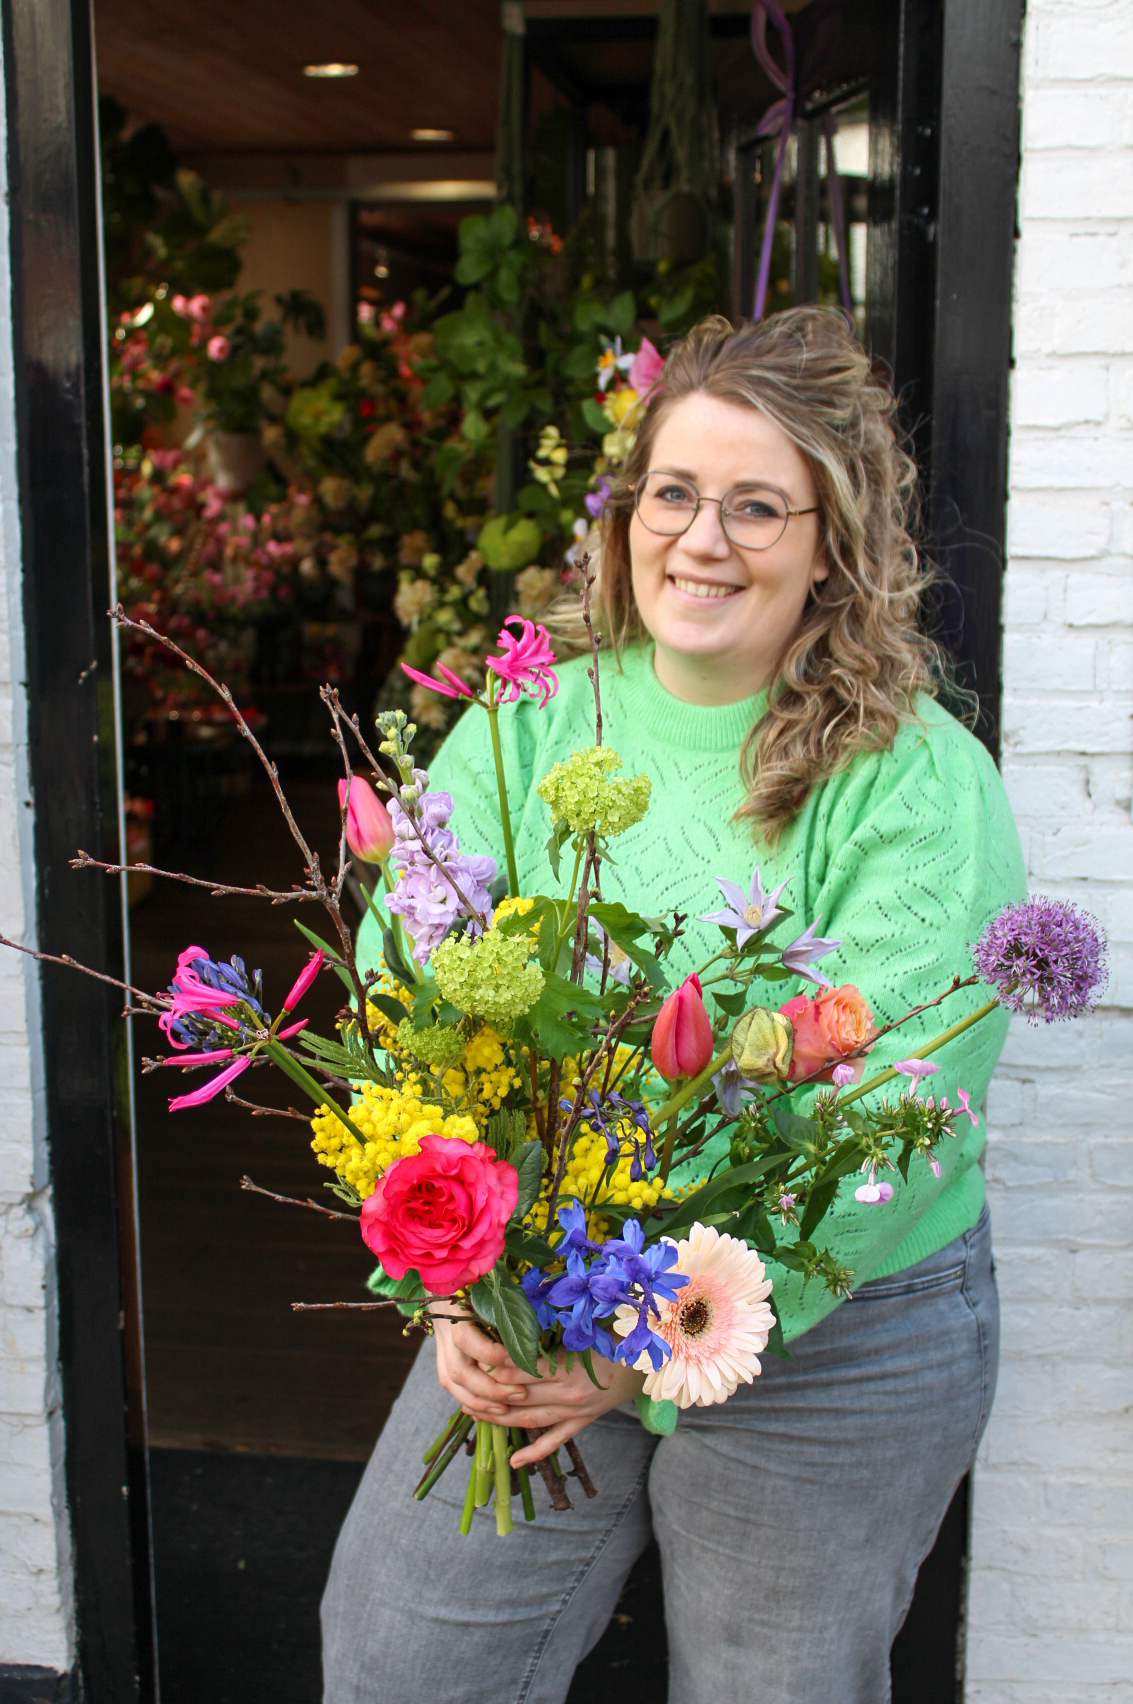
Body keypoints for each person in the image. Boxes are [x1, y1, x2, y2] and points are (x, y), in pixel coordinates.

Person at [322, 309, 1025, 1704]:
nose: (703, 541)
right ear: (626, 512)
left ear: (832, 544)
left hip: (840, 1315)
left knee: (767, 1687)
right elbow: (407, 981)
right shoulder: (532, 719)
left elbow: (890, 1114)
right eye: (675, 494)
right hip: (552, 1281)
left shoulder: (909, 776)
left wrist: (644, 1345)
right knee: (405, 1657)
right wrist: (454, 1276)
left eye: (758, 507)